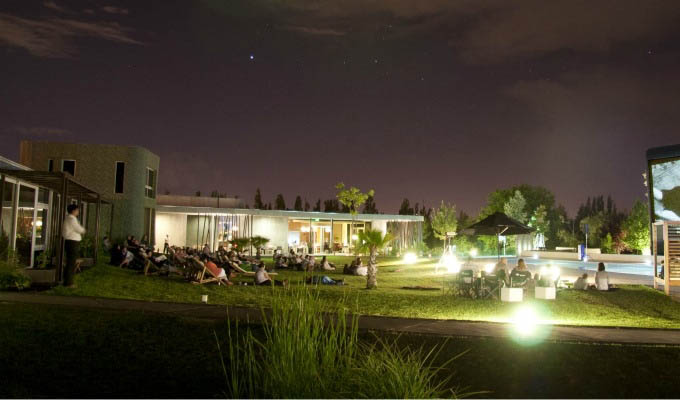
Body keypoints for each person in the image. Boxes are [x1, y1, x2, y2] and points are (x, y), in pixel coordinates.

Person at [62, 204, 85, 287]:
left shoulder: (68, 218)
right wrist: (83, 230)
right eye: (77, 210)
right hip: (72, 242)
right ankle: (69, 282)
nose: (78, 212)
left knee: (69, 262)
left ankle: (66, 280)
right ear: (73, 211)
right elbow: (78, 228)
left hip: (70, 242)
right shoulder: (72, 219)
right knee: (71, 262)